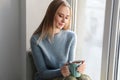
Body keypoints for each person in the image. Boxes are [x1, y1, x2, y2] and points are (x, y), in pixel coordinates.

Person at [30, 0, 87, 80]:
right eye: (60, 16)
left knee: (85, 78)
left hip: (65, 77)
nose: (64, 21)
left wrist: (78, 68)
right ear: (51, 14)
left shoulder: (71, 37)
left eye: (66, 17)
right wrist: (60, 71)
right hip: (47, 78)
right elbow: (42, 73)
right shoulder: (36, 40)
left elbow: (70, 66)